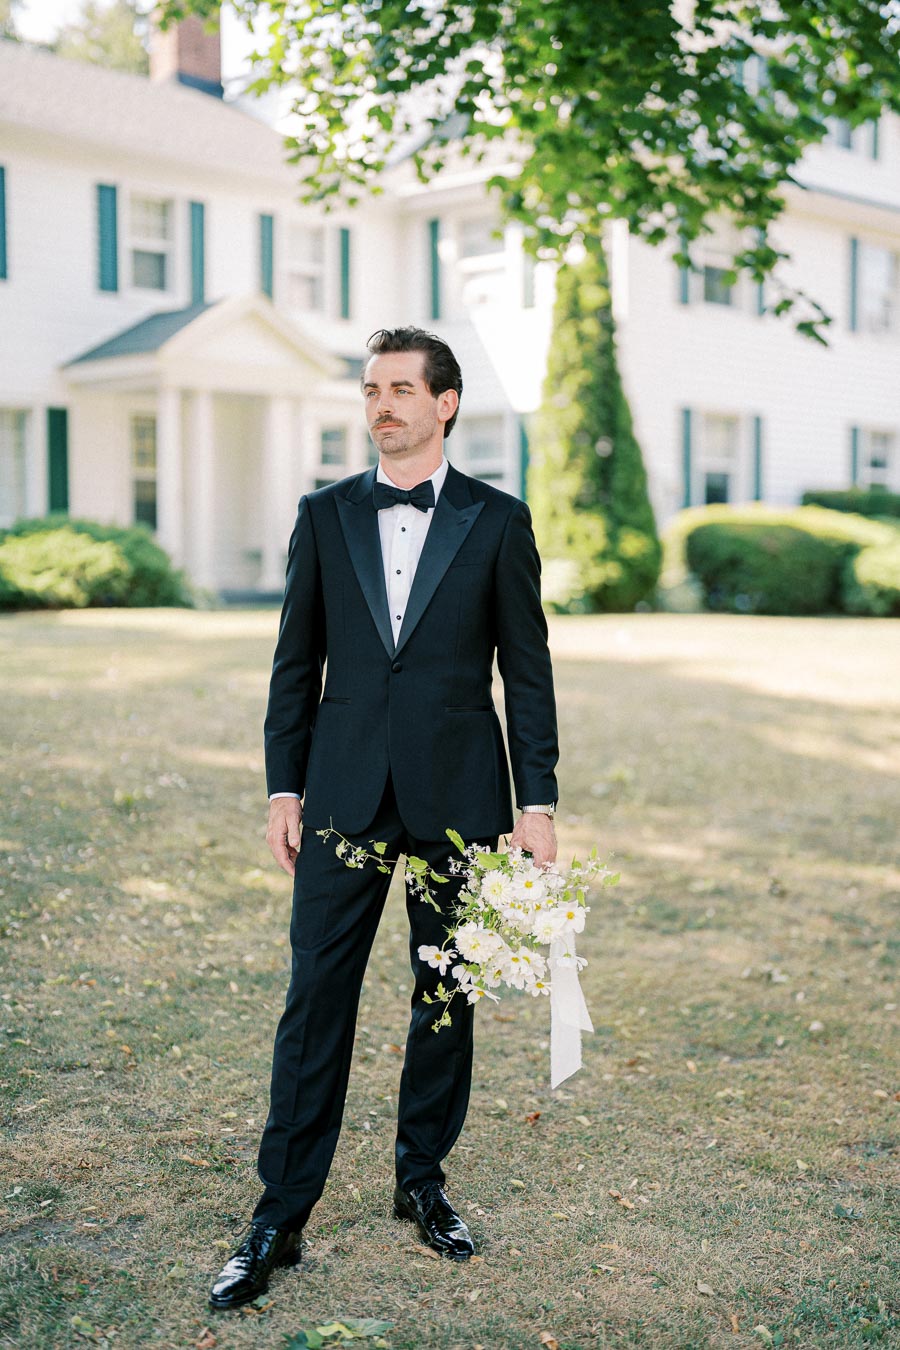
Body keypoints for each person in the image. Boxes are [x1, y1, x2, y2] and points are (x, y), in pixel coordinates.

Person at [209, 327, 559, 1310]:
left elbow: (525, 673)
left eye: (402, 389)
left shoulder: (498, 521)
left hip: (457, 799)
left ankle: (422, 1182)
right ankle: (278, 1215)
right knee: (315, 998)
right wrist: (286, 788)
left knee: (443, 998)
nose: (383, 407)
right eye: (372, 391)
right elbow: (294, 664)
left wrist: (537, 803)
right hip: (345, 797)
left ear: (446, 403)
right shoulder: (324, 516)